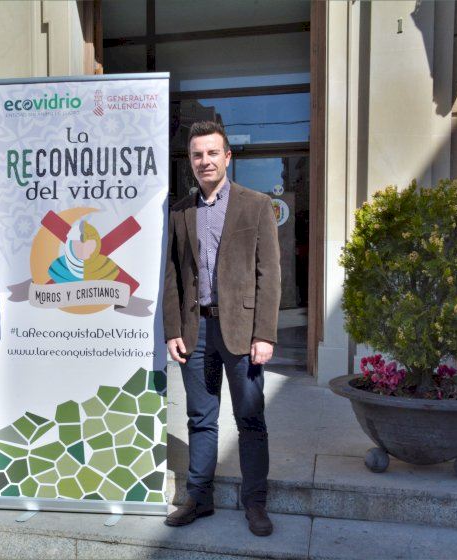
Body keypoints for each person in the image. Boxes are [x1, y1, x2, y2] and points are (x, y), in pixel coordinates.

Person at [163, 121, 281, 536]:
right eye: (197, 154)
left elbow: (270, 274)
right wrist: (173, 330)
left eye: (212, 153)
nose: (205, 161)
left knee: (250, 418)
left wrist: (264, 333)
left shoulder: (256, 205)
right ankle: (199, 497)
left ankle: (256, 502)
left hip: (243, 333)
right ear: (190, 161)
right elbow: (172, 275)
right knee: (201, 418)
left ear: (227, 157)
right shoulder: (180, 211)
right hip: (195, 332)